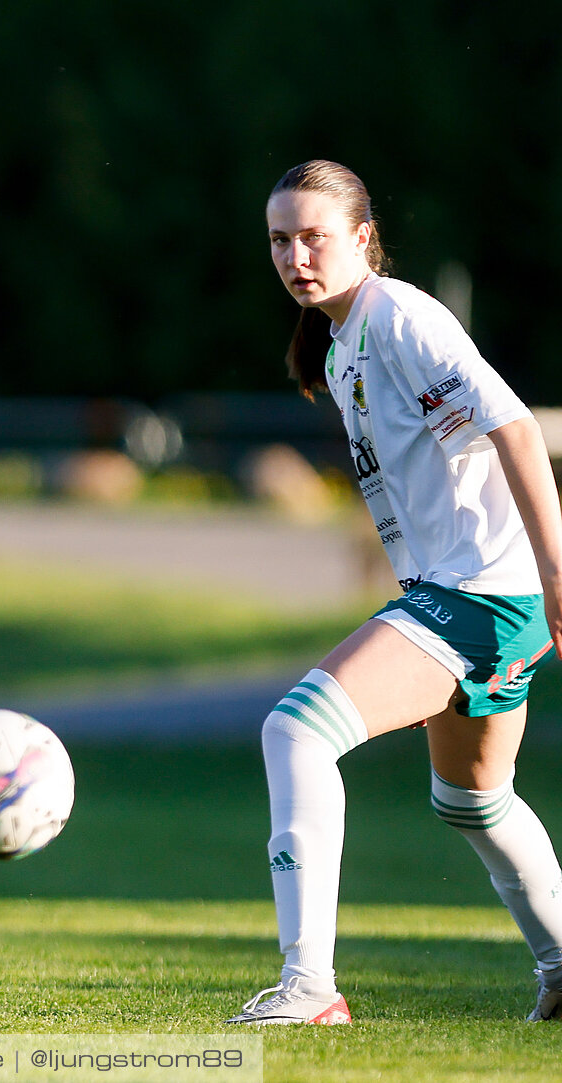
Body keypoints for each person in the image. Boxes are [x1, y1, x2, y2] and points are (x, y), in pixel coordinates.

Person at [232, 159, 562, 1024]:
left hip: (485, 594)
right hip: (477, 596)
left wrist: (557, 577)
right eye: (279, 239)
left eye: (314, 236)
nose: (296, 255)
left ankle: (308, 989)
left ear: (362, 238)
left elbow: (518, 428)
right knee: (473, 801)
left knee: (294, 731)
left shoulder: (404, 316)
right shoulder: (343, 344)